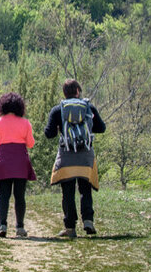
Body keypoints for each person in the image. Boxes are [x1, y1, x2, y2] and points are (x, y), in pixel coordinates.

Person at [43, 78, 106, 238]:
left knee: (68, 193)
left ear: (64, 93)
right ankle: (88, 221)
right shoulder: (89, 107)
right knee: (85, 190)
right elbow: (101, 128)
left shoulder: (58, 110)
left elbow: (49, 134)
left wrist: (61, 128)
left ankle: (70, 228)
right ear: (78, 91)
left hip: (66, 156)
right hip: (85, 155)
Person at [0, 92, 36, 238]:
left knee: (4, 195)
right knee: (19, 196)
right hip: (20, 162)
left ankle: (2, 225)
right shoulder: (25, 123)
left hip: (3, 161)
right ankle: (20, 227)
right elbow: (31, 144)